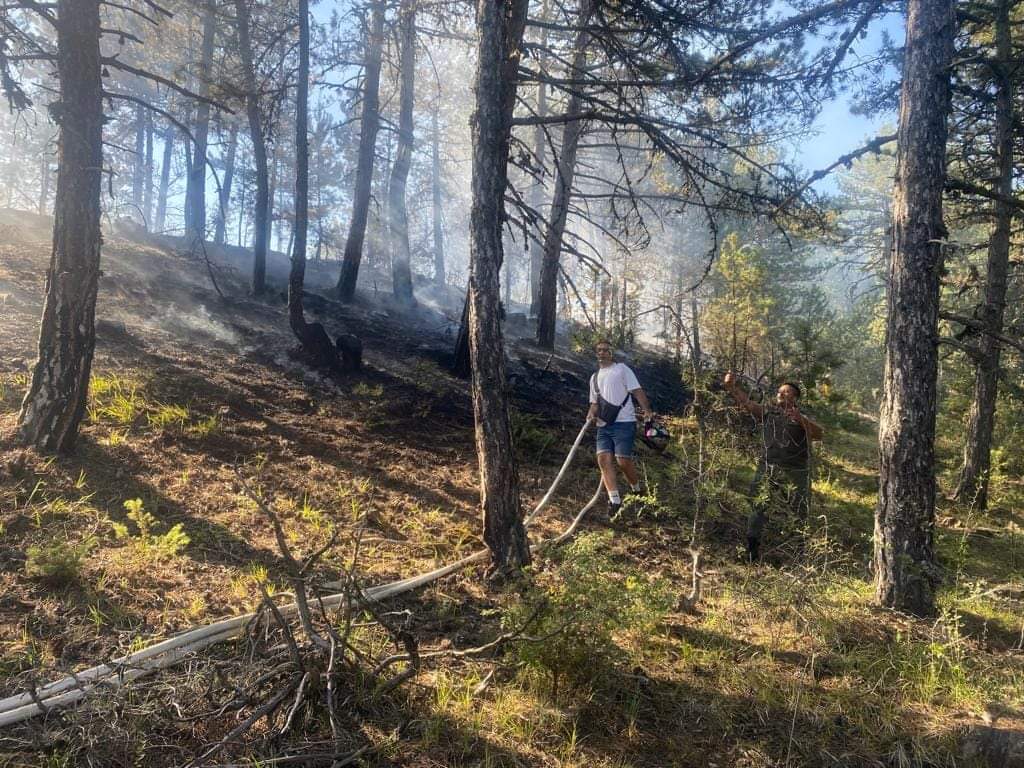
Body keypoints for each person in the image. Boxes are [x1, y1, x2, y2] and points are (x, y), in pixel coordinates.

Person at [723, 372, 824, 562]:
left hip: (796, 471)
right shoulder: (769, 412)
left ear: (795, 398)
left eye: (786, 392)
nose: (781, 394)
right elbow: (748, 404)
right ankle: (752, 552)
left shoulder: (803, 415)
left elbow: (819, 434)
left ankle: (799, 554)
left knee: (800, 510)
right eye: (780, 391)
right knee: (758, 506)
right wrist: (731, 387)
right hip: (768, 467)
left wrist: (800, 418)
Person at [587, 340, 655, 517]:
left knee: (622, 461)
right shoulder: (594, 377)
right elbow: (594, 403)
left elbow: (637, 390)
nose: (601, 353)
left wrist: (647, 410)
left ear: (611, 353)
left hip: (624, 422)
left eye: (605, 350)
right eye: (599, 350)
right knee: (603, 460)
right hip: (604, 425)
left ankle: (638, 492)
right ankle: (615, 501)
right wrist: (590, 414)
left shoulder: (622, 369)